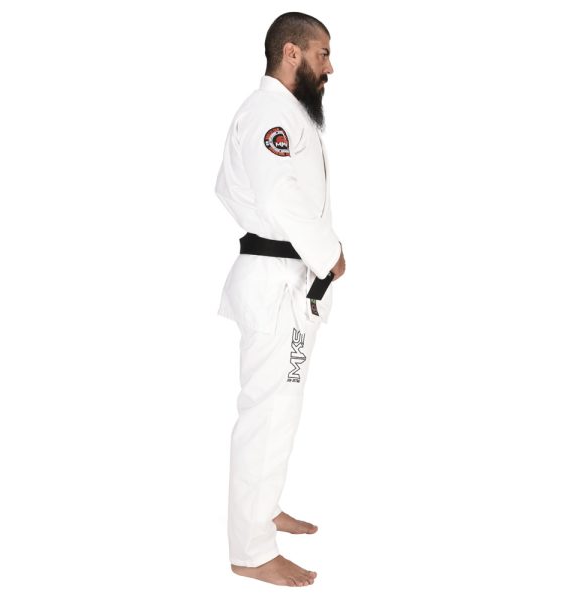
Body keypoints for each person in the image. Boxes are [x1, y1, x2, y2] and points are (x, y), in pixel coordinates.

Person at [214, 12, 346, 587]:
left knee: (279, 411)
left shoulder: (283, 114)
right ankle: (250, 550)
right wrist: (330, 254)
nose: (330, 67)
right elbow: (279, 197)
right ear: (291, 53)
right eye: (323, 54)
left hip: (283, 280)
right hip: (277, 285)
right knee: (267, 414)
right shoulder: (270, 114)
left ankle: (262, 509)